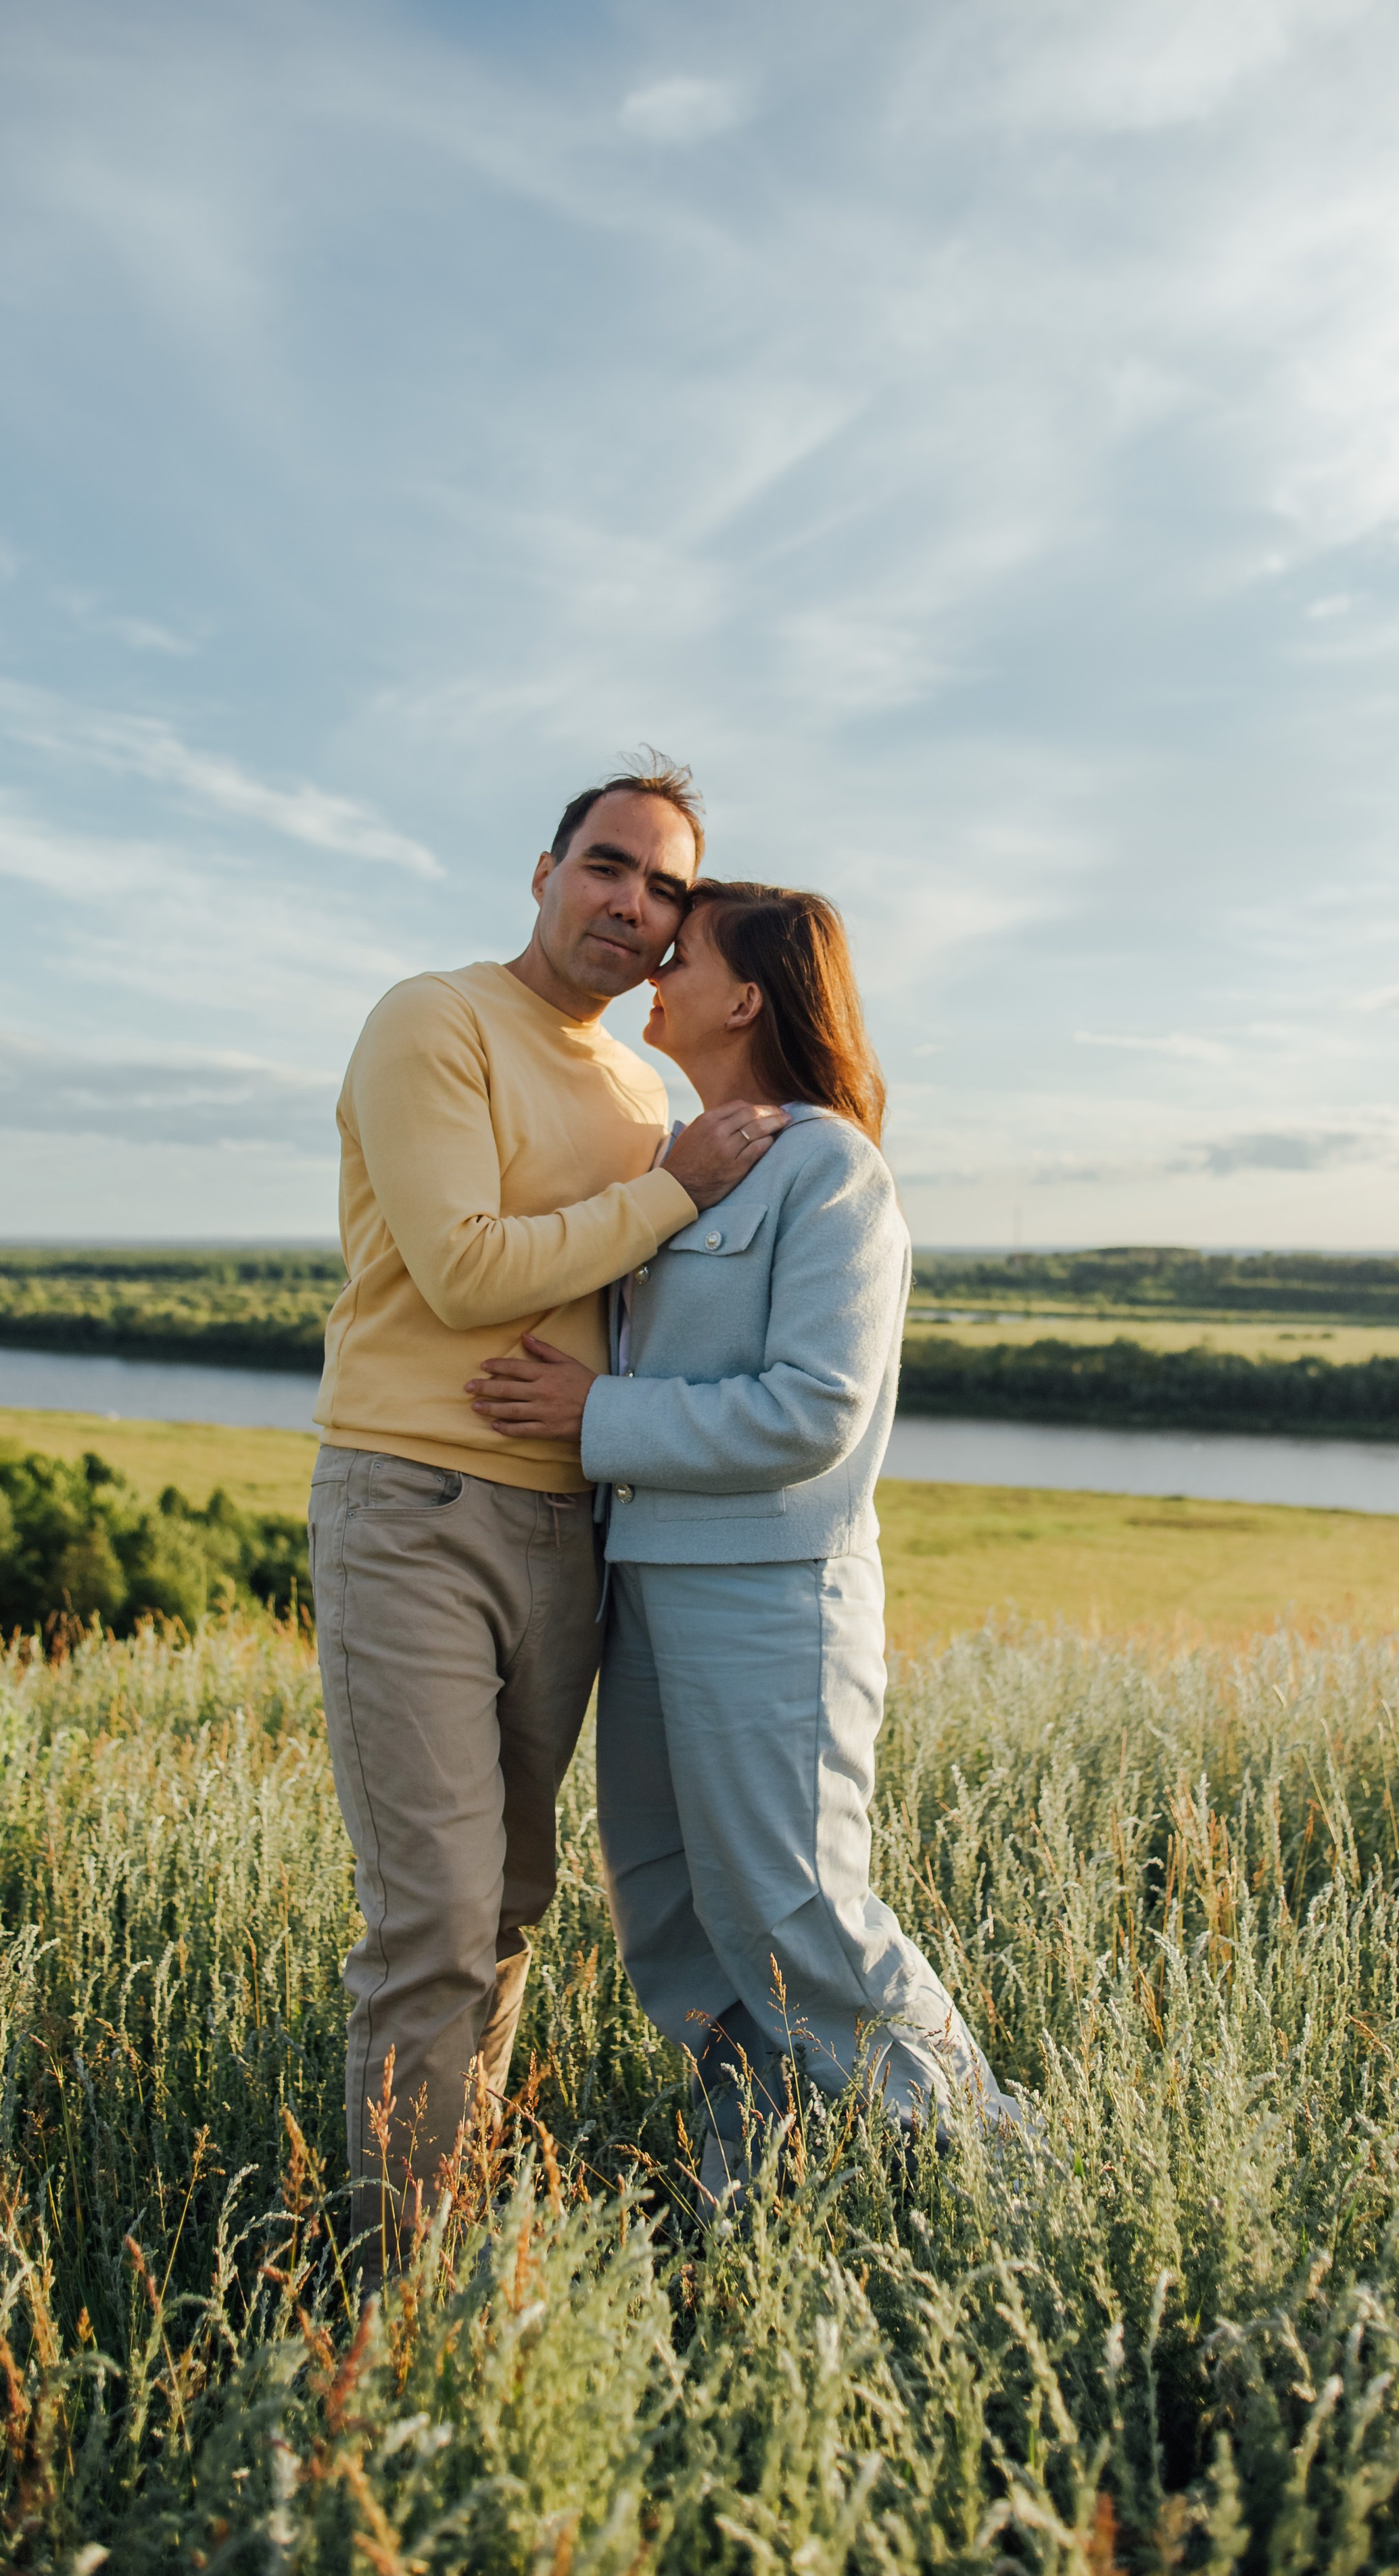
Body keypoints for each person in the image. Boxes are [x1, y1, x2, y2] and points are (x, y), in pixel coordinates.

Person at [466, 880, 1018, 2208]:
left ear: (746, 995)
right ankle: (760, 2184)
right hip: (647, 1595)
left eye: (684, 950)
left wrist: (597, 1414)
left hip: (770, 1606)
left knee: (794, 1911)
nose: (653, 962)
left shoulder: (829, 1170)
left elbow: (815, 1409)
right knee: (669, 1916)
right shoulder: (687, 1160)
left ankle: (988, 2178)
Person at [308, 759, 788, 2287]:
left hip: (570, 1528)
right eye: (605, 866)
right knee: (433, 1917)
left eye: (660, 890)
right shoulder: (432, 1020)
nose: (630, 904)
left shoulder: (641, 1090)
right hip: (413, 1504)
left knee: (508, 1907)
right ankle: (397, 2296)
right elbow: (457, 1270)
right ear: (542, 870)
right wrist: (668, 1192)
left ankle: (451, 2234)